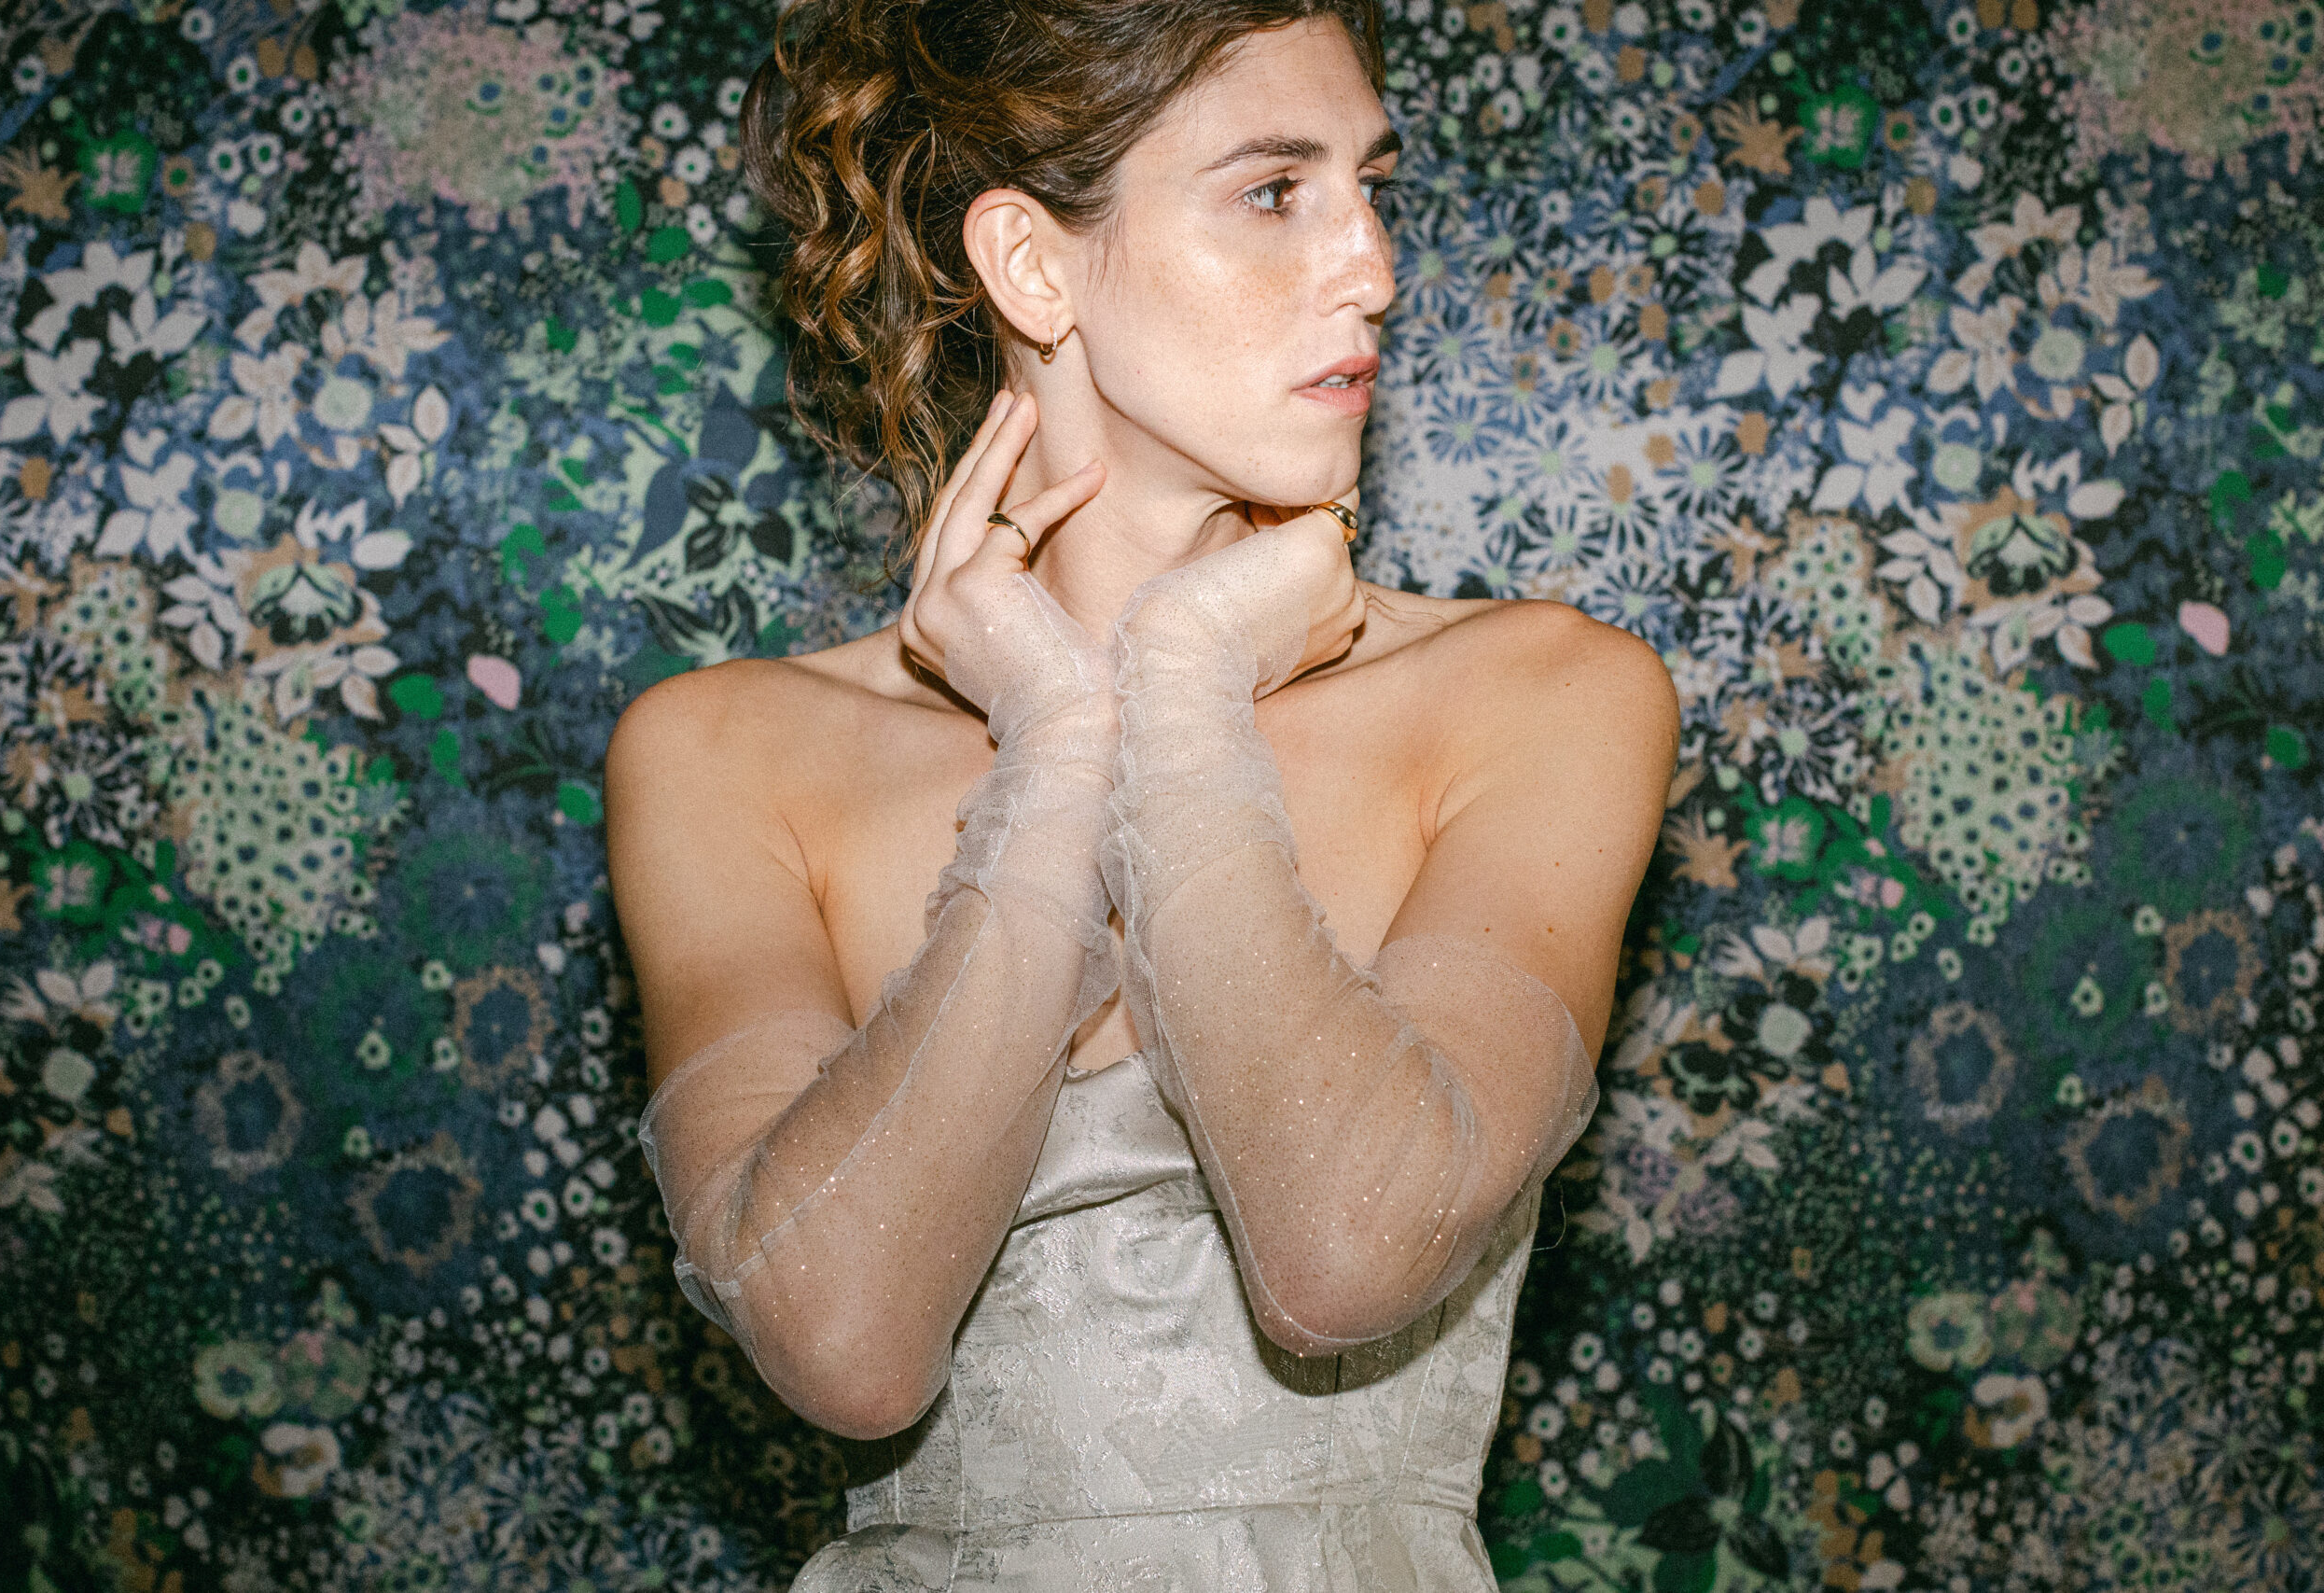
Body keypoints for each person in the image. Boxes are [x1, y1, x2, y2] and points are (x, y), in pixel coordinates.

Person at [606, 0, 1678, 1585]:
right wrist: (1056, 745)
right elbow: (842, 1343)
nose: (1373, 268)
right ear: (1035, 267)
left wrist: (1184, 682)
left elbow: (1343, 1251)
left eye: (1373, 187)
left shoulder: (1552, 699)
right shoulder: (722, 754)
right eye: (1273, 192)